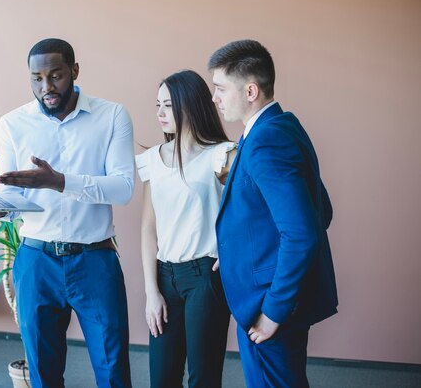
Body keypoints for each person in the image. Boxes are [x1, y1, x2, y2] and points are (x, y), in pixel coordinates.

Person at [0, 38, 135, 388]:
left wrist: (60, 182)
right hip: (35, 261)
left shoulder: (112, 116)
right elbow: (11, 196)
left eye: (56, 75)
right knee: (43, 373)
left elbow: (124, 188)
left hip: (95, 261)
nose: (46, 87)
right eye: (36, 78)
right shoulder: (12, 125)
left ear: (74, 71)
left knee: (113, 370)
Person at [209, 39, 338, 388]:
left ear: (250, 90)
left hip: (270, 304)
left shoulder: (265, 141)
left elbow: (302, 232)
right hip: (275, 294)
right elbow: (320, 210)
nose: (214, 98)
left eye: (220, 88)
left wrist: (272, 313)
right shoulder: (284, 126)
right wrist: (239, 251)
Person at [136, 70, 236, 388]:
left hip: (205, 277)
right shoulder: (152, 159)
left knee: (203, 378)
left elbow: (254, 213)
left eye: (168, 105)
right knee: (162, 378)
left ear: (190, 105)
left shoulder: (221, 155)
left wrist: (232, 250)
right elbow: (148, 229)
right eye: (157, 105)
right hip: (165, 277)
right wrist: (151, 292)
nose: (160, 113)